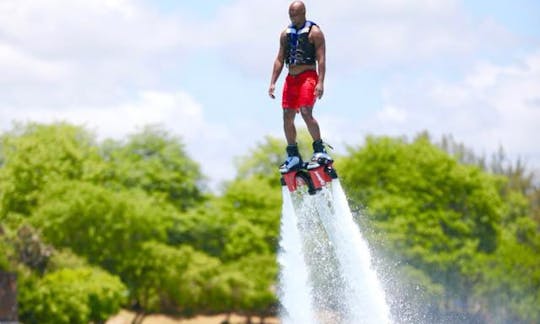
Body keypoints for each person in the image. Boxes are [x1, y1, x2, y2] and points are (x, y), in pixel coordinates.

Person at [269, 1, 332, 174]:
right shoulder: (285, 34)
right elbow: (280, 59)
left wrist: (321, 82)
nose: (292, 17)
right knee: (287, 115)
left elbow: (321, 60)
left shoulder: (315, 33)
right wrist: (273, 82)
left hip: (308, 77)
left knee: (305, 111)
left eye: (295, 14)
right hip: (291, 78)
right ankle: (293, 155)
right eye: (290, 14)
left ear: (303, 12)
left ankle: (320, 151)